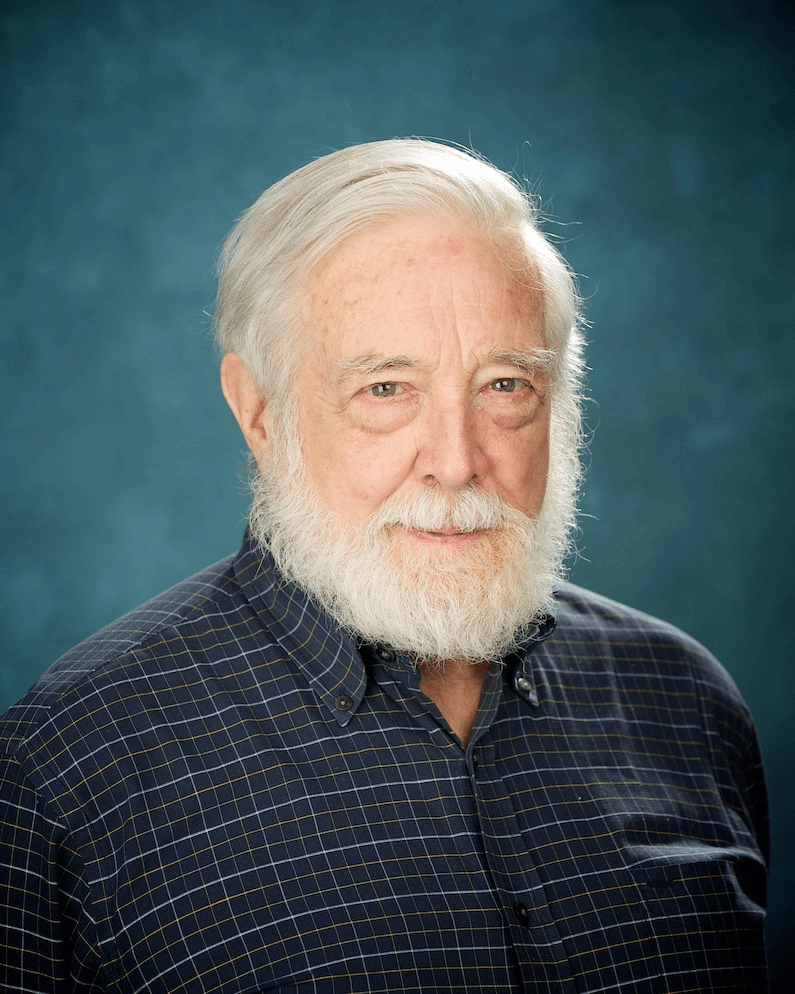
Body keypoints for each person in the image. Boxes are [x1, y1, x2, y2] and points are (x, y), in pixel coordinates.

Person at [0, 139, 769, 993]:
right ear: (259, 413)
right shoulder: (70, 763)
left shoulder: (685, 704)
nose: (456, 462)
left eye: (504, 385)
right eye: (385, 389)